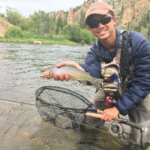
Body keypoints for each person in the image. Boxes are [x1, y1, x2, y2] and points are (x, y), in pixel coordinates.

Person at [42, 1, 150, 147]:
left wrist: (117, 109)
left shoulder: (137, 42)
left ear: (114, 20)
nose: (99, 25)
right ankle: (89, 142)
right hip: (110, 87)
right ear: (89, 29)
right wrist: (77, 69)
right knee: (89, 120)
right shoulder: (94, 51)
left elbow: (144, 83)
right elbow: (94, 75)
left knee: (142, 139)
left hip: (137, 89)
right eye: (93, 23)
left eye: (104, 20)